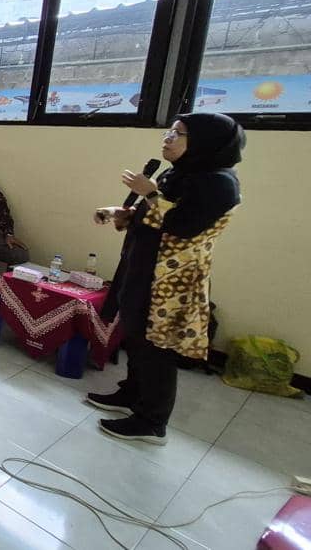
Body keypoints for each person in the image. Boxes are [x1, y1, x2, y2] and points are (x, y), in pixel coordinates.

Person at [87, 114, 244, 445]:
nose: (168, 138)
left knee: (156, 346)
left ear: (204, 142)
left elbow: (181, 225)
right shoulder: (180, 173)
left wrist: (150, 193)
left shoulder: (219, 183)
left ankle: (152, 421)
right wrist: (123, 213)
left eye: (180, 133)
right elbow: (155, 217)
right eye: (169, 131)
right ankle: (132, 395)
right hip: (143, 266)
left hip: (170, 281)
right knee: (135, 334)